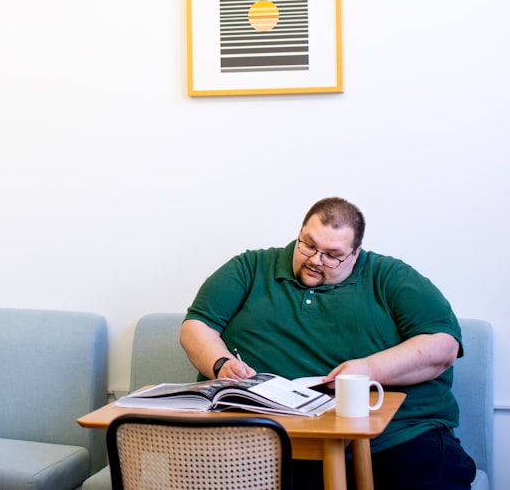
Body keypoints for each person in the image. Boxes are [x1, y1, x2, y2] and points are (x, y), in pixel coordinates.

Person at [179, 197, 476, 490]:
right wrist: (220, 364)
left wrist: (368, 369)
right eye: (308, 244)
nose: (314, 260)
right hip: (265, 440)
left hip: (396, 436)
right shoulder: (250, 266)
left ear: (355, 253)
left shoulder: (392, 277)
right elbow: (197, 326)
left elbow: (443, 347)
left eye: (332, 255)